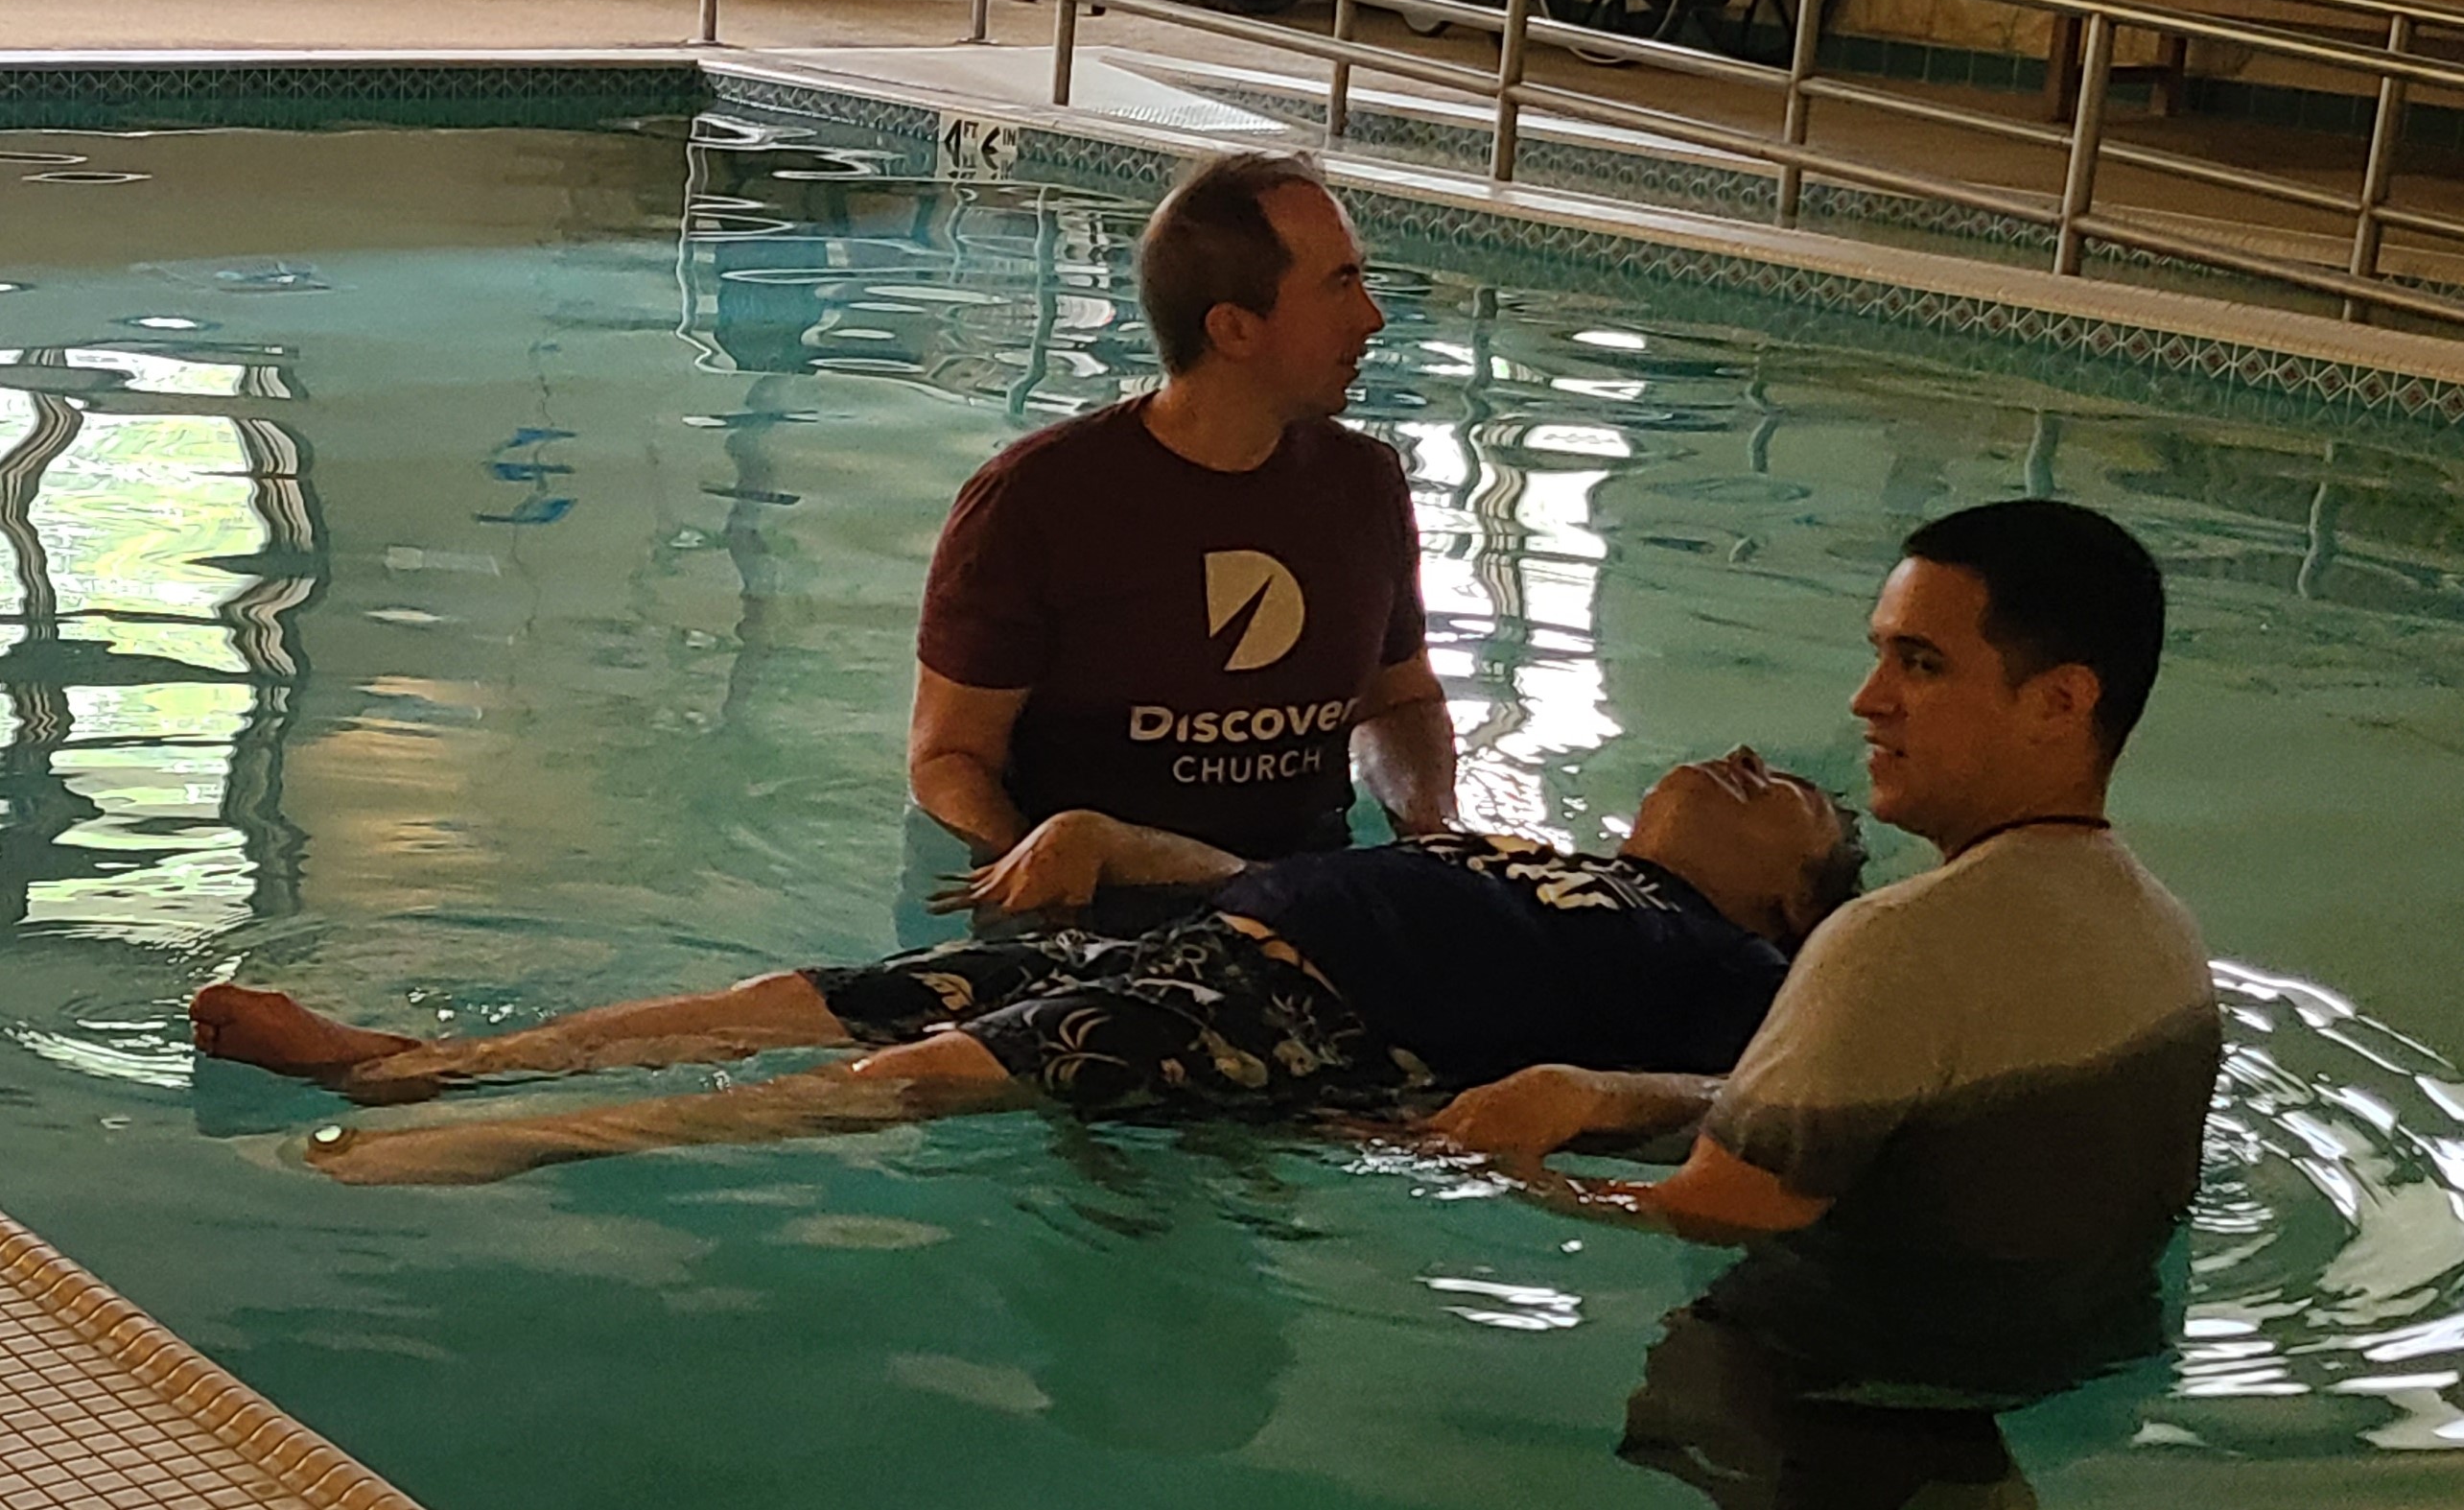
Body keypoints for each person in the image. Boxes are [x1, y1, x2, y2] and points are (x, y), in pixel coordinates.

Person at [188, 747, 1863, 1185]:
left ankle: (482, 1147)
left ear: (1792, 900)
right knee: (797, 999)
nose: (1738, 757)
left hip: (1302, 1017)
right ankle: (408, 1061)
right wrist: (1122, 843)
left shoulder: (1726, 965)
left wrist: (1594, 1096)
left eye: (1781, 789)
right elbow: (1314, 876)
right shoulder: (1543, 858)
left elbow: (1774, 1093)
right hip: (1205, 941)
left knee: (902, 1082)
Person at [1429, 499, 2219, 1411]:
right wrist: (1598, 1093)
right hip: (2071, 1364)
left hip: (1830, 1398)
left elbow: (1720, 1207)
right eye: (1880, 653)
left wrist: (1504, 1179)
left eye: (1919, 664)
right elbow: (1878, 1119)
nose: (1867, 698)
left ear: (2058, 702)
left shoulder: (1899, 941)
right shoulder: (2162, 932)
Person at [906, 151, 1457, 916]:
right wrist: (1032, 880)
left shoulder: (1362, 483)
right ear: (1234, 328)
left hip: (1306, 895)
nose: (1371, 316)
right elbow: (948, 756)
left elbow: (1398, 701)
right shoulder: (1037, 500)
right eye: (1338, 284)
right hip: (1103, 904)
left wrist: (1433, 833)